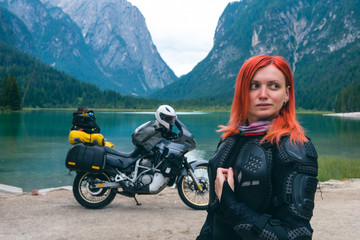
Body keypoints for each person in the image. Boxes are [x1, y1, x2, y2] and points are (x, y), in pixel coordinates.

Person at [196, 55, 318, 240]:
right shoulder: (229, 141)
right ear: (242, 92)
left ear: (286, 94)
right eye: (254, 85)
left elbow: (297, 234)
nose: (263, 94)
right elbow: (213, 216)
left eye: (274, 86)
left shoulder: (295, 148)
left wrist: (231, 204)